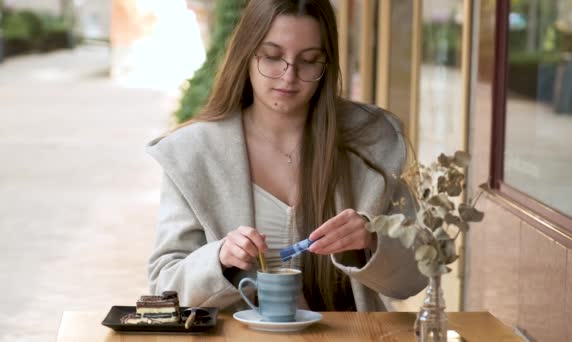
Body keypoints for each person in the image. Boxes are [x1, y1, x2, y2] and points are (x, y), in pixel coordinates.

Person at [146, 0, 426, 312]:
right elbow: (163, 288)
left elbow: (416, 275)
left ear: (327, 65)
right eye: (272, 56)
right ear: (246, 55)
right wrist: (220, 258)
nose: (288, 76)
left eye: (308, 61)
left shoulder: (371, 142)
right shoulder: (193, 153)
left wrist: (373, 239)